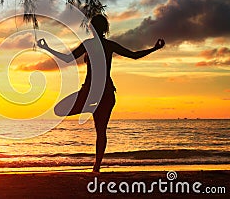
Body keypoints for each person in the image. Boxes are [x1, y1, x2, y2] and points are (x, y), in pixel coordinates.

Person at [37, 14, 165, 172]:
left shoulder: (94, 44)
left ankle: (97, 165)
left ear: (93, 28)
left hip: (98, 92)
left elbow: (67, 59)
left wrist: (47, 48)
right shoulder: (104, 45)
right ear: (104, 29)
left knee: (96, 128)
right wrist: (154, 48)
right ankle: (96, 163)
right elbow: (134, 55)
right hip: (101, 93)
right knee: (97, 128)